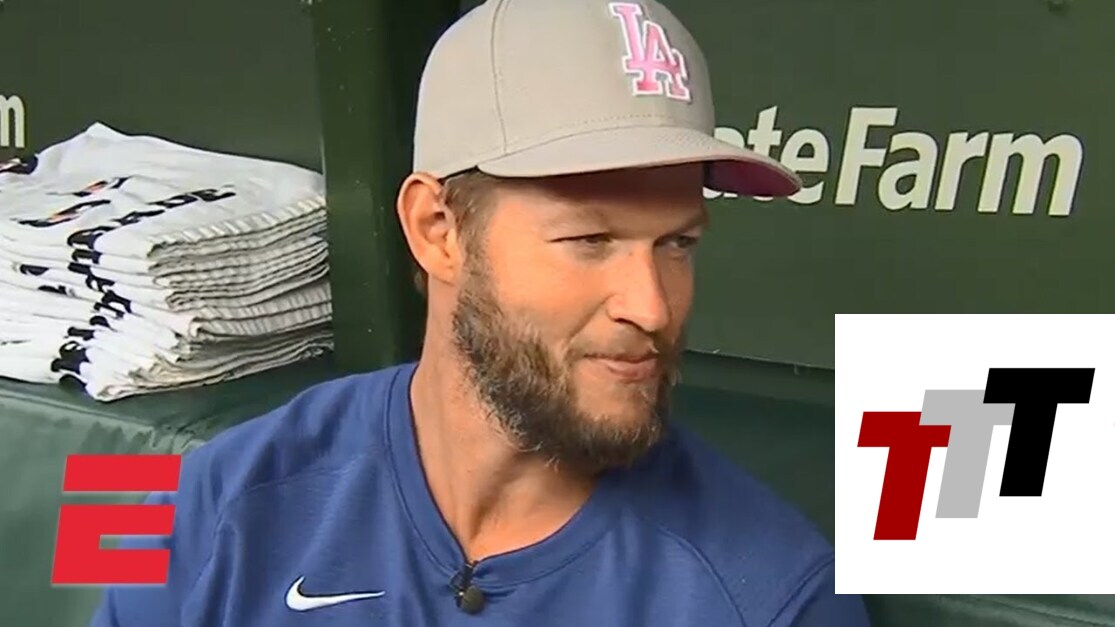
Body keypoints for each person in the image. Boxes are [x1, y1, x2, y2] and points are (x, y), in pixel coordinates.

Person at [90, 0, 871, 625]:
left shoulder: (773, 593)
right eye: (589, 239)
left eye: (677, 243)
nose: (651, 306)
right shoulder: (204, 505)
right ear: (438, 229)